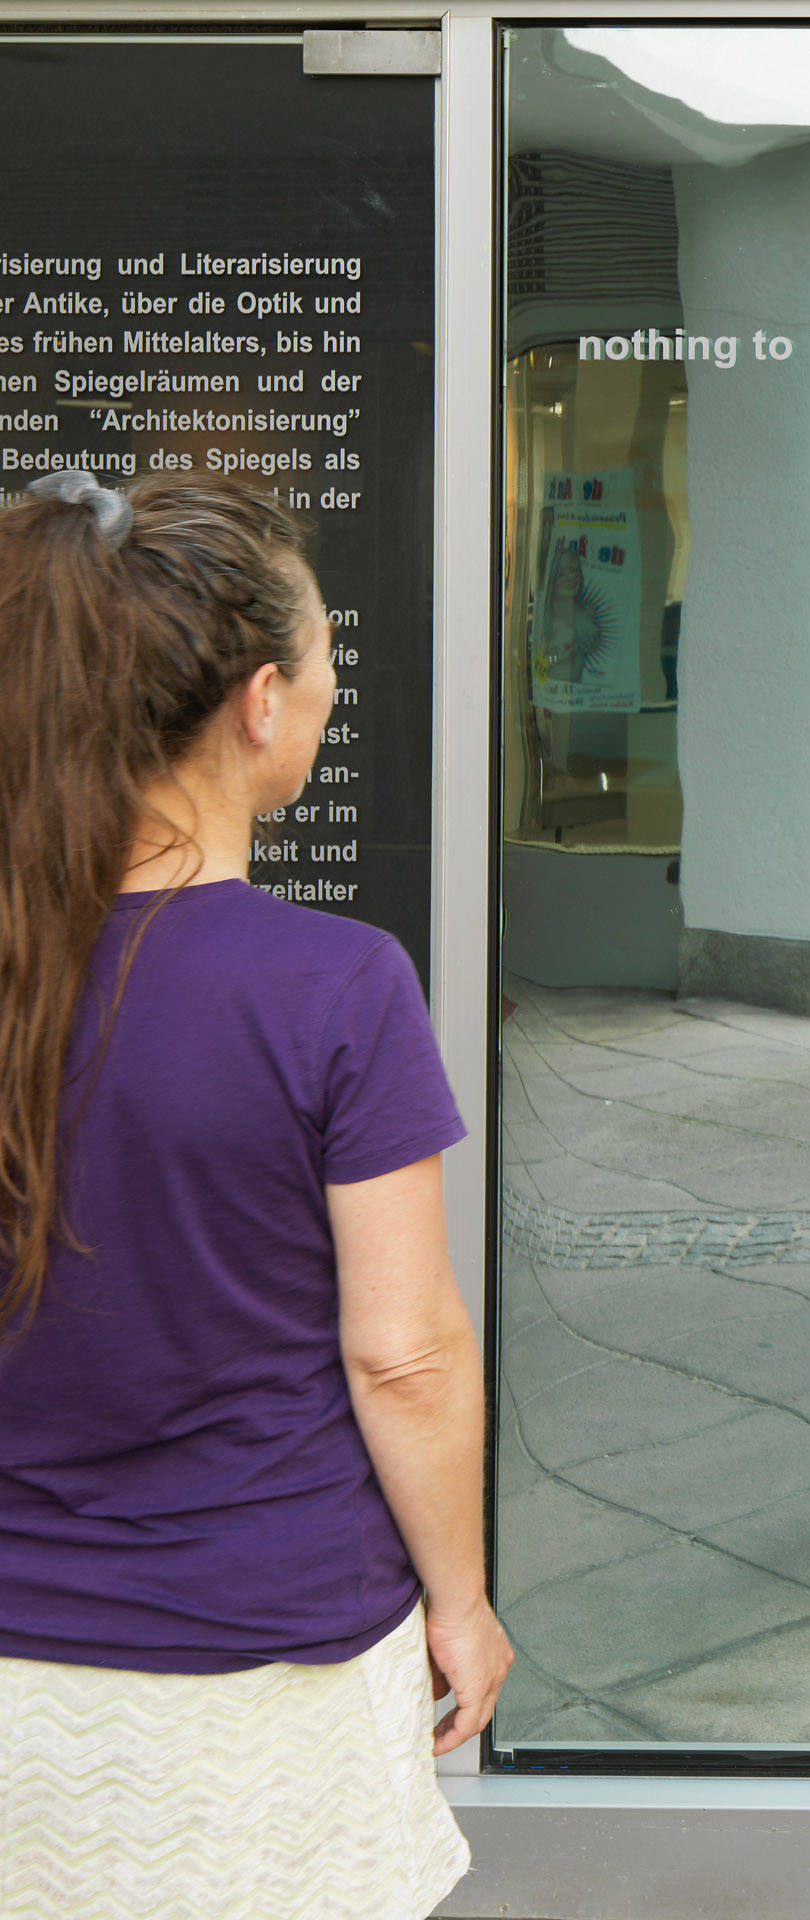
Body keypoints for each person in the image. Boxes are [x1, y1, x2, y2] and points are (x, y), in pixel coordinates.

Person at [0, 471, 511, 1918]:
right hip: (260, 1663)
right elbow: (405, 1356)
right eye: (330, 655)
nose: (337, 690)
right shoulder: (334, 987)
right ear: (262, 701)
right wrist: (462, 1602)